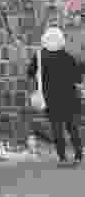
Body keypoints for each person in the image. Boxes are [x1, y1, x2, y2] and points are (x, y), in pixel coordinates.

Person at [27, 27, 85, 165]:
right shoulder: (68, 57)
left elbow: (30, 72)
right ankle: (78, 154)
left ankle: (62, 157)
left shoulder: (40, 57)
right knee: (72, 127)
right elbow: (77, 78)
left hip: (50, 98)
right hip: (69, 98)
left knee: (57, 128)